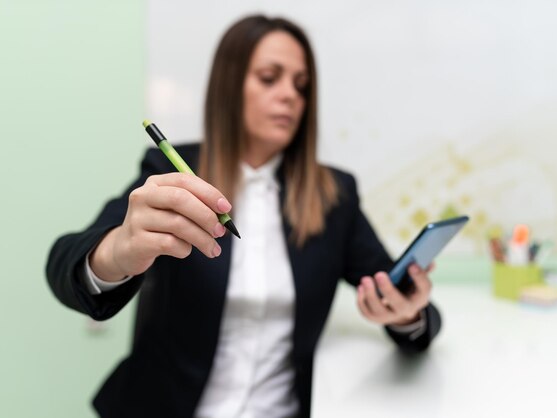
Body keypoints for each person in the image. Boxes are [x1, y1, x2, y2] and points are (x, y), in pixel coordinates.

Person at [46, 14, 441, 418]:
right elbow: (63, 264)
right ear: (230, 86)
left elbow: (399, 295)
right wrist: (118, 251)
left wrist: (407, 311)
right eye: (270, 78)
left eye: (301, 86)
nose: (289, 95)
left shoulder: (333, 195)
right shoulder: (171, 175)